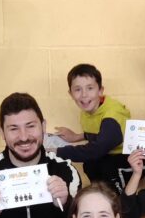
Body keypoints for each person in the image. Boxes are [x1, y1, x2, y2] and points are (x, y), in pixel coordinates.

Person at [50, 63, 132, 194]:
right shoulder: (89, 110)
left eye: (90, 88)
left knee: (104, 166)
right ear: (70, 93)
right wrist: (77, 136)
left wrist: (57, 151)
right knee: (90, 165)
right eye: (77, 89)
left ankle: (119, 202)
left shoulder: (112, 114)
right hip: (112, 155)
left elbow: (98, 148)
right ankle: (101, 196)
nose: (84, 95)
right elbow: (99, 135)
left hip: (134, 159)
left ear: (100, 90)